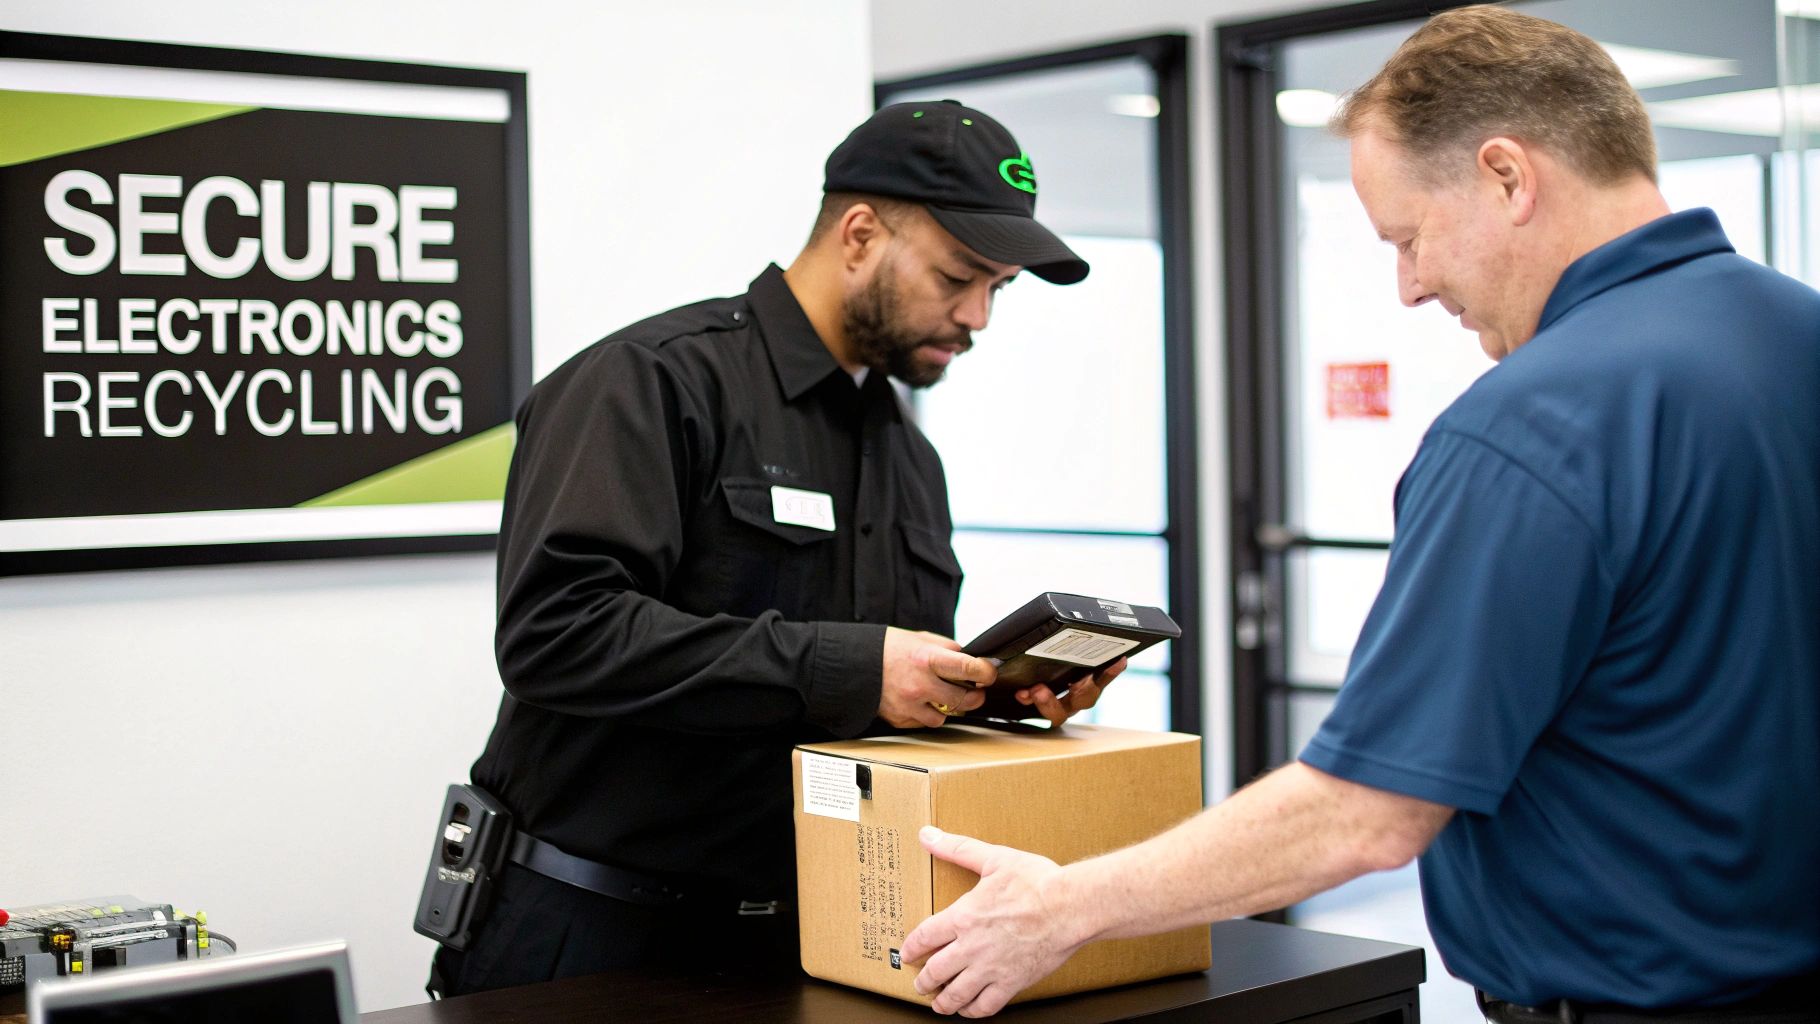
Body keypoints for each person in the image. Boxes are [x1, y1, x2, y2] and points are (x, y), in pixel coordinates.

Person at [900, 7, 1820, 1022]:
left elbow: (1363, 813)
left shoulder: (1530, 426)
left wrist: (1058, 906)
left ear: (1507, 176)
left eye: (1409, 237)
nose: (1410, 285)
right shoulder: (1795, 334)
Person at [427, 100, 1126, 997]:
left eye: (1000, 289)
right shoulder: (649, 382)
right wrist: (849, 667)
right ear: (861, 233)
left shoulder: (912, 459)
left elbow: (868, 709)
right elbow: (555, 635)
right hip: (586, 941)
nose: (979, 316)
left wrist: (998, 700)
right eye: (959, 276)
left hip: (808, 944)